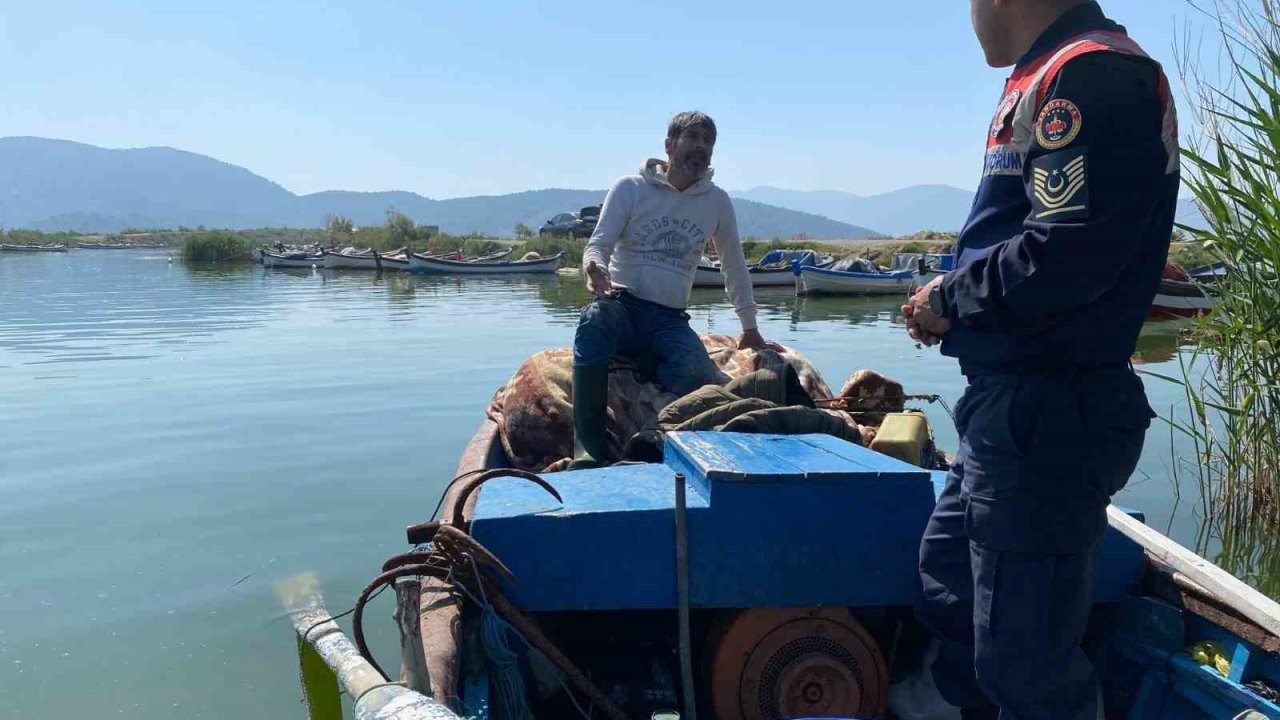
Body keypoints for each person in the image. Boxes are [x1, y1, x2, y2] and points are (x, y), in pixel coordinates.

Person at [901, 2, 1179, 718]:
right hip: (1007, 408)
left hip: (1049, 413)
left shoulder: (1091, 74)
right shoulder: (1047, 72)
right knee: (948, 587)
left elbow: (1065, 256)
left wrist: (948, 298)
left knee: (1026, 666)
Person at [571, 111, 768, 469]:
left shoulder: (717, 201)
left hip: (669, 320)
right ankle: (587, 450)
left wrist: (750, 328)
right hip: (623, 305)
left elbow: (734, 265)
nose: (701, 148)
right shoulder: (631, 188)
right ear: (669, 145)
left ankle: (648, 371)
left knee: (694, 374)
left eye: (708, 142)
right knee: (595, 319)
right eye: (692, 138)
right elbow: (598, 244)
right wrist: (593, 268)